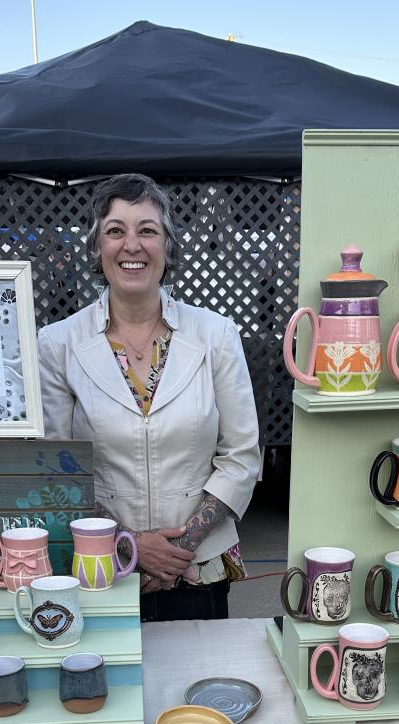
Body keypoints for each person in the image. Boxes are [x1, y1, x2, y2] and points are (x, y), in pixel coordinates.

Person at [38, 174, 260, 621]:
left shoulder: (215, 335)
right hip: (101, 564)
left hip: (196, 568)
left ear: (168, 246)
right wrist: (131, 545)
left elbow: (241, 456)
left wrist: (178, 549)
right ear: (97, 248)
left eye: (147, 230)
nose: (132, 245)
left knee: (196, 688)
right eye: (115, 230)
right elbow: (56, 467)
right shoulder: (58, 343)